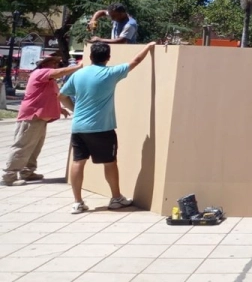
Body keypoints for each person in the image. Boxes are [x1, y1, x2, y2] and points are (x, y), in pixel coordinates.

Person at [59, 41, 156, 214]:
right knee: (110, 163)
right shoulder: (110, 73)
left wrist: (74, 110)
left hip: (79, 127)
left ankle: (77, 202)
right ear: (108, 57)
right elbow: (135, 61)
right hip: (102, 128)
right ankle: (116, 198)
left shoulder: (78, 74)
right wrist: (149, 46)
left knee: (78, 162)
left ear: (90, 57)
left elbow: (62, 96)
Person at [2, 54, 83, 186]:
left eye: (56, 64)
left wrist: (59, 109)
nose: (55, 66)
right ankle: (9, 175)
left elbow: (51, 96)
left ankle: (27, 172)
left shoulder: (49, 80)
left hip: (40, 118)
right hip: (32, 116)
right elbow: (60, 72)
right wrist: (78, 67)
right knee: (23, 145)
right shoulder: (40, 73)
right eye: (53, 63)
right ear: (44, 65)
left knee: (35, 146)